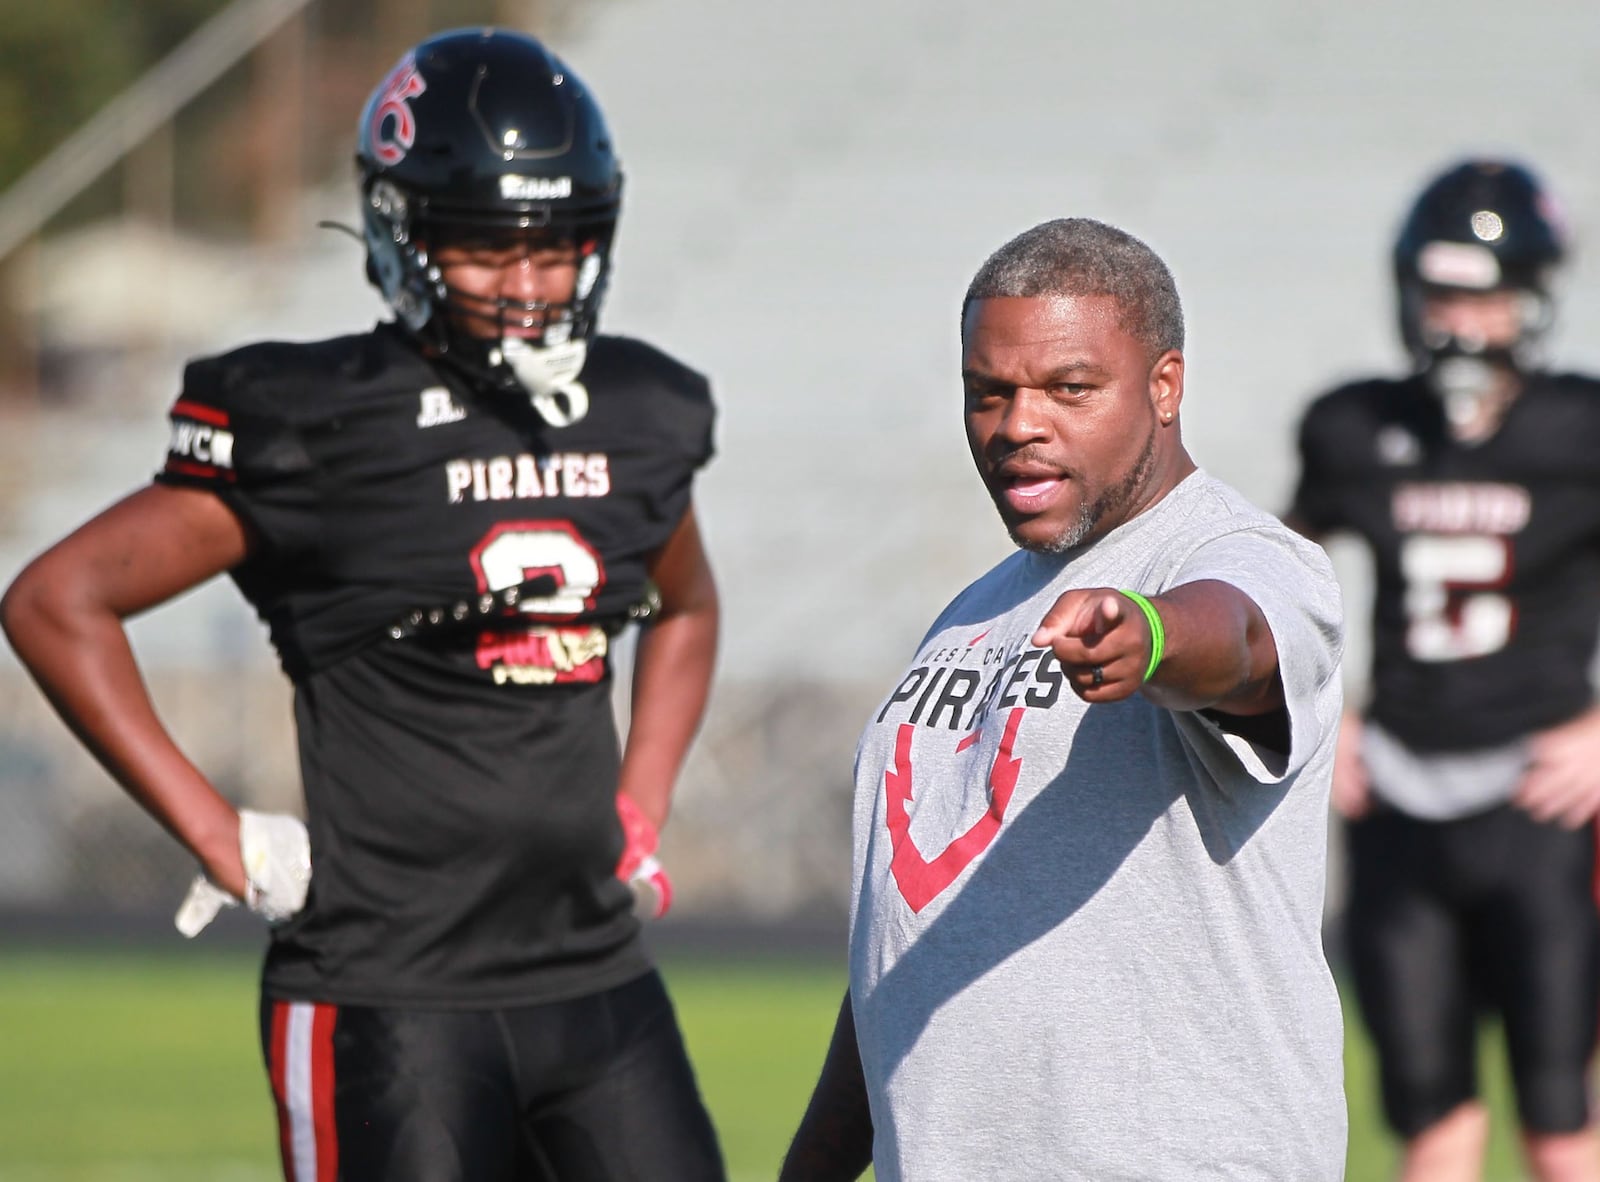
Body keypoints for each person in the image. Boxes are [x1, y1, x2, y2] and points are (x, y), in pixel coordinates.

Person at [1, 28, 727, 1182]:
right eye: (489, 250)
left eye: (557, 247)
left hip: (594, 981)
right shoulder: (317, 423)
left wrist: (643, 798)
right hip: (388, 999)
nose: (531, 285)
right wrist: (213, 829)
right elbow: (56, 599)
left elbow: (683, 607)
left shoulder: (637, 411)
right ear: (401, 232)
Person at [780, 217, 1348, 1180]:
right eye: (987, 393)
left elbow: (1244, 641)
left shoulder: (1240, 557)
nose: (1018, 424)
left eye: (1069, 388)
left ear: (1164, 386)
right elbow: (905, 935)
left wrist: (1154, 635)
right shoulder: (972, 617)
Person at [1288, 158, 1600, 1182]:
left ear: (1531, 297)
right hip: (1400, 804)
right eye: (1440, 290)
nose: (1457, 318)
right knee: (1435, 1124)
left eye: (1481, 292)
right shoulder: (1351, 426)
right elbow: (1274, 580)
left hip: (1541, 807)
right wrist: (1314, 718)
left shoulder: (1579, 427)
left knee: (1560, 1125)